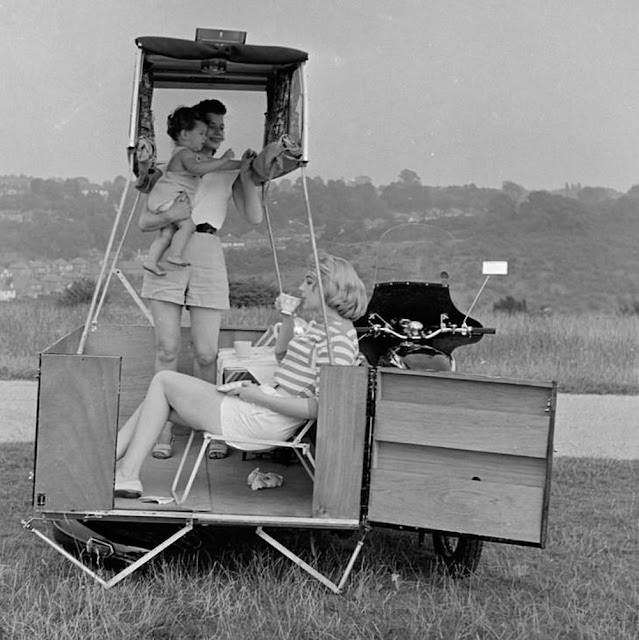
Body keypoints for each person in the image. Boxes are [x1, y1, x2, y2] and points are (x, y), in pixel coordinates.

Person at [114, 252, 368, 498]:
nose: (301, 287)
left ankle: (125, 471)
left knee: (163, 380)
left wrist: (256, 396)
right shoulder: (326, 330)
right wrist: (288, 318)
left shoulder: (336, 342)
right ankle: (108, 461)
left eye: (309, 282)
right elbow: (281, 355)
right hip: (264, 409)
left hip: (265, 420)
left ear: (327, 287)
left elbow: (321, 408)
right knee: (157, 402)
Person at [137, 98, 263, 460]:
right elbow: (145, 221)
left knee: (207, 352)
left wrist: (250, 175)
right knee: (167, 349)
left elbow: (253, 217)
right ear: (194, 130)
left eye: (222, 128)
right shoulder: (173, 165)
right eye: (211, 127)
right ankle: (163, 431)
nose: (217, 134)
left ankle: (212, 428)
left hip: (208, 249)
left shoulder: (228, 166)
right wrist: (174, 214)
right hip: (174, 247)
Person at [143, 106, 236, 276]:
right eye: (202, 132)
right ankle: (175, 255)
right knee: (186, 226)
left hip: (165, 203)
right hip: (171, 202)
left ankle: (151, 261)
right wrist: (223, 161)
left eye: (220, 128)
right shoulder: (185, 155)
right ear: (185, 134)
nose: (207, 135)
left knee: (167, 233)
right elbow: (198, 169)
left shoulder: (177, 156)